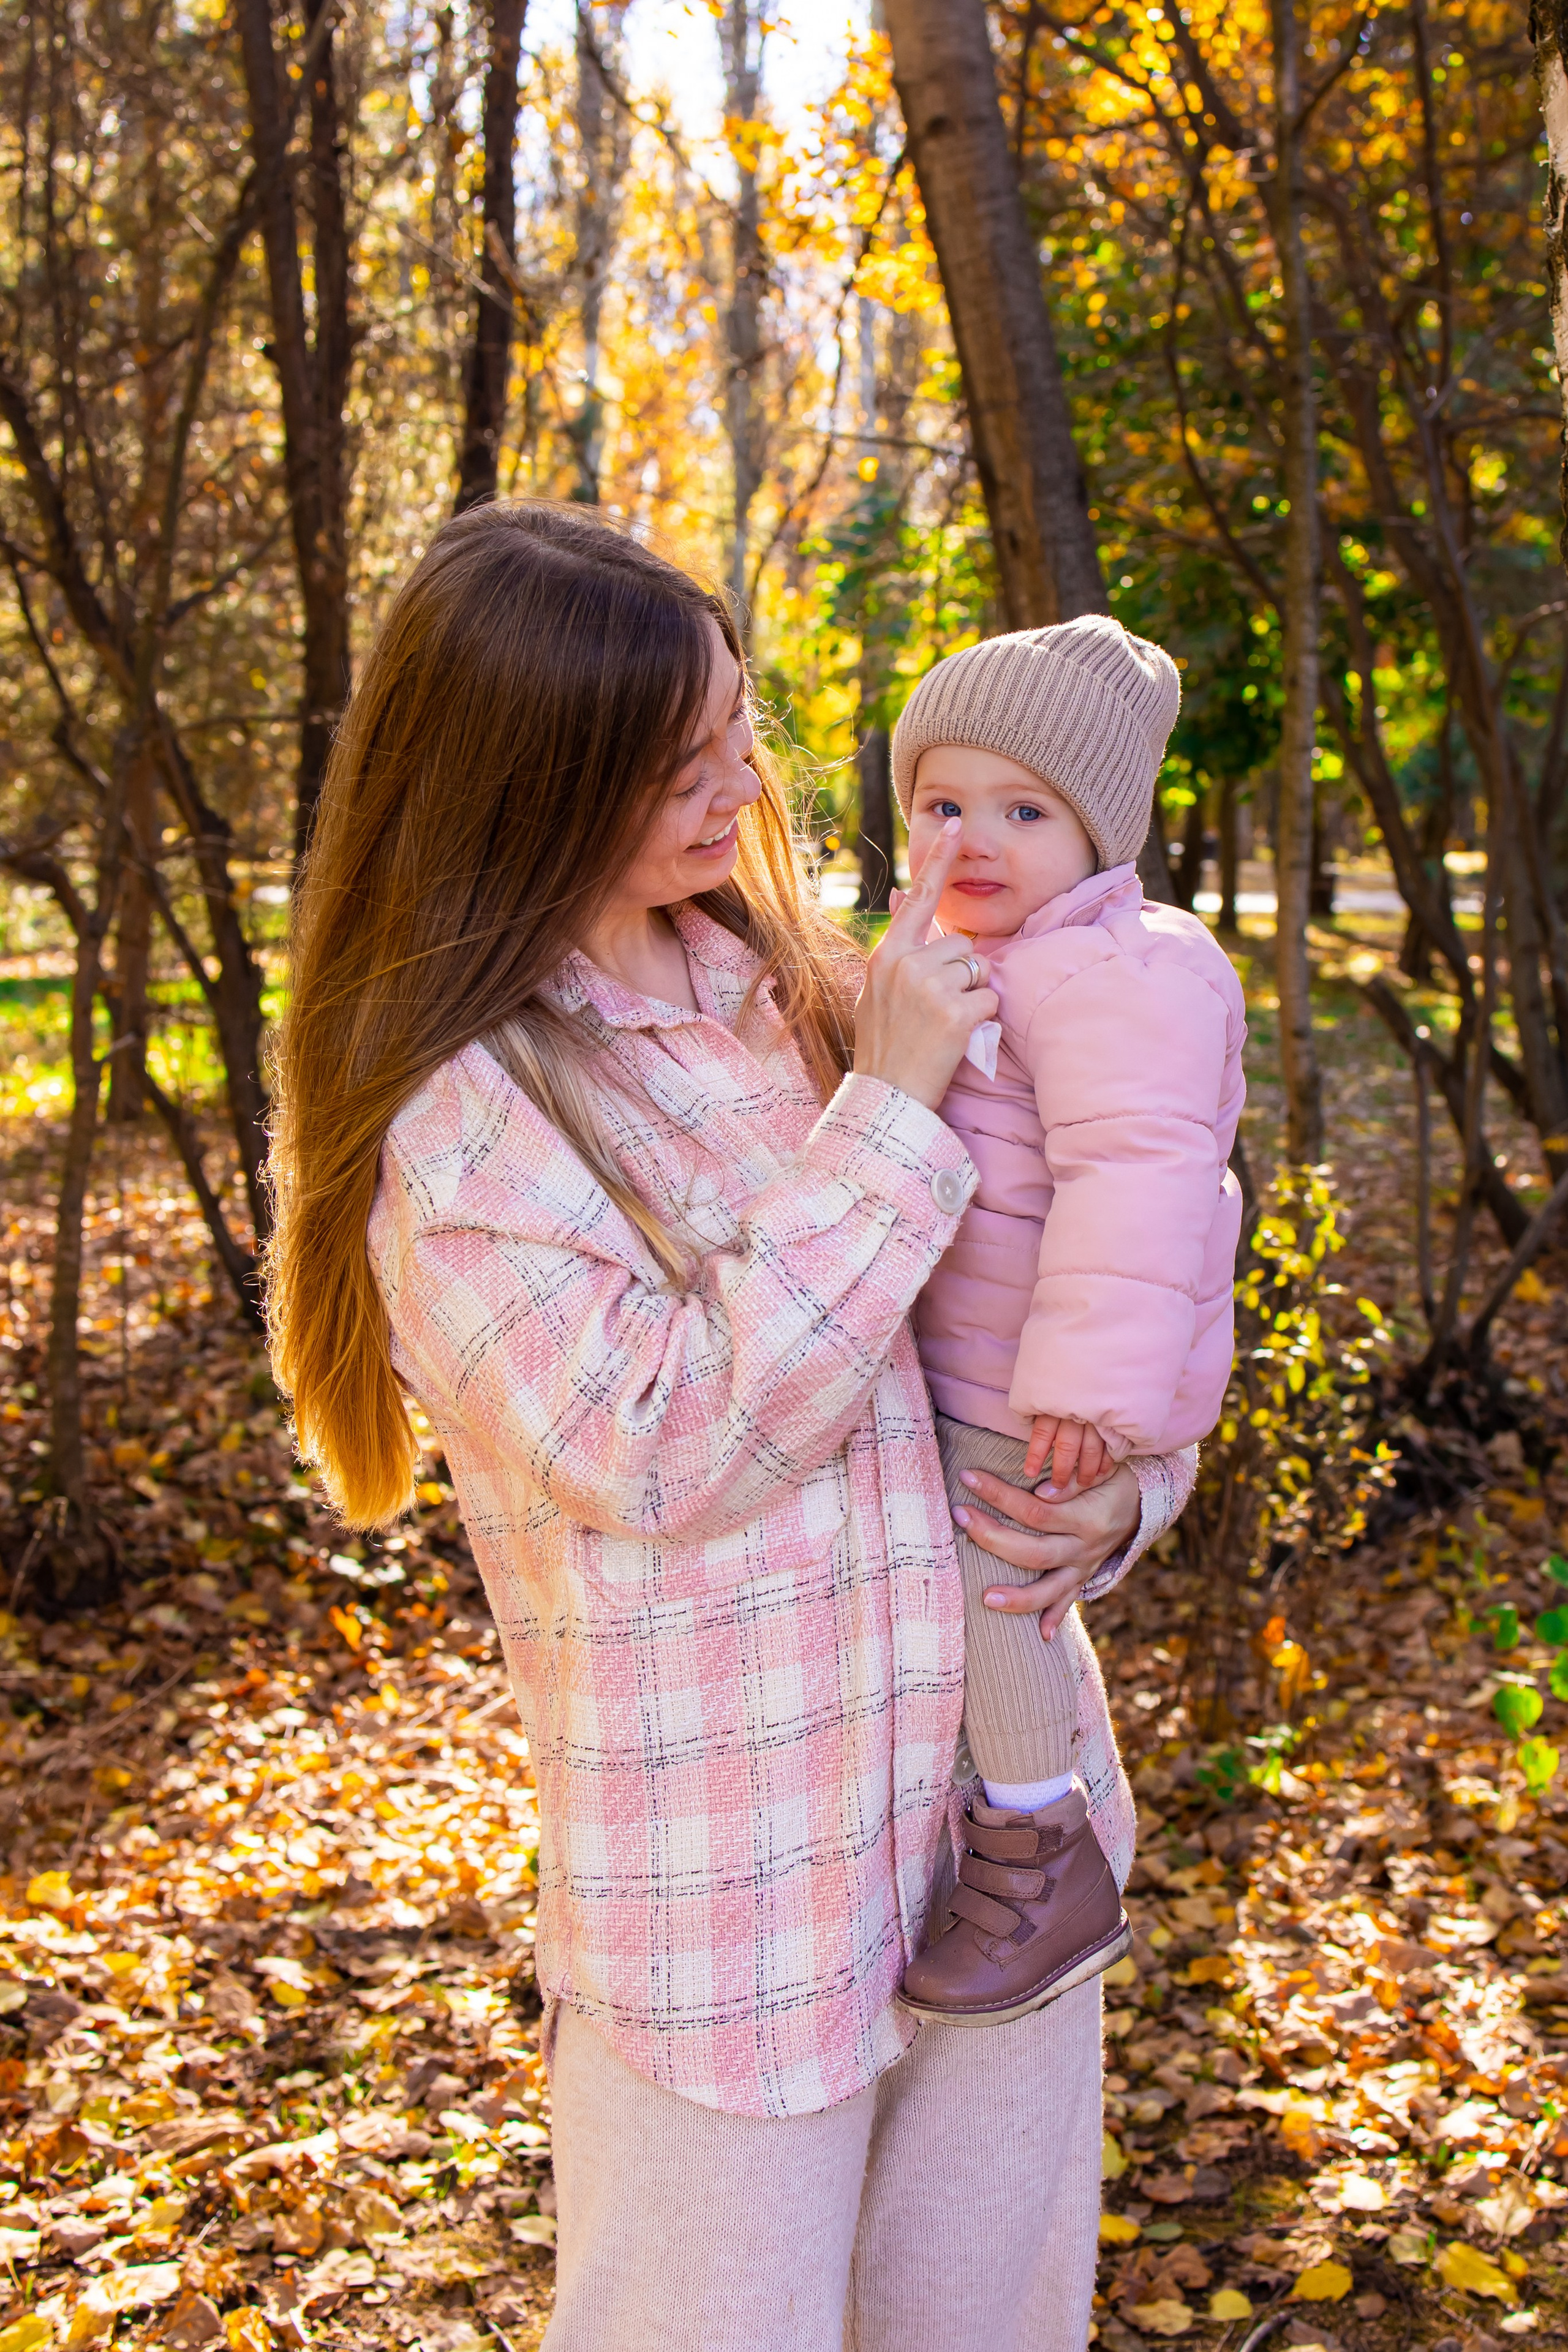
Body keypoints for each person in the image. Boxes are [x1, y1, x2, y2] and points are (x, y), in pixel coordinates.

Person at [266, 503, 1197, 2352]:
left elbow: (1073, 1260)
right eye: (676, 761)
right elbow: (674, 1447)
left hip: (997, 1848)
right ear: (527, 786)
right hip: (731, 1917)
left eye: (738, 726)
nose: (741, 783)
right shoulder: (465, 1128)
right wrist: (899, 1112)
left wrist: (1128, 1489)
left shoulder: (796, 977)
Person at [889, 617, 1246, 2029]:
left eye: (1023, 810)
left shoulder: (1114, 970)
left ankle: (1040, 1849)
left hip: (1045, 1379)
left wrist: (1087, 1394)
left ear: (1096, 833)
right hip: (981, 1353)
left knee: (1002, 1600)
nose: (974, 836)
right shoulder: (970, 951)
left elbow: (1145, 1179)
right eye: (940, 804)